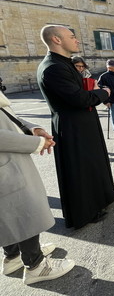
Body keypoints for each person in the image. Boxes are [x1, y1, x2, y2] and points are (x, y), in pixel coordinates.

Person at [37, 25, 114, 229]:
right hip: (73, 127)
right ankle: (86, 212)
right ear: (56, 39)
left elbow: (82, 88)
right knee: (81, 169)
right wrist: (104, 93)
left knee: (93, 163)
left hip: (84, 122)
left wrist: (94, 90)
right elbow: (79, 99)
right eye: (72, 37)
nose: (77, 40)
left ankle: (101, 198)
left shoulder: (65, 64)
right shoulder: (53, 67)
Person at [0, 90, 75, 285]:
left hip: (8, 160)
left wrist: (32, 129)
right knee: (23, 208)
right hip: (6, 162)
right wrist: (37, 142)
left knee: (9, 210)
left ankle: (13, 255)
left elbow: (8, 115)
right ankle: (36, 266)